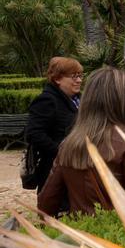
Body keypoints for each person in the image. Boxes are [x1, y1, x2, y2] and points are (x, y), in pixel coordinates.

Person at [38, 67, 125, 216]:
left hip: (83, 231)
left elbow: (46, 203)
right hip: (118, 233)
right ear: (124, 104)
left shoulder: (69, 144)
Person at [25, 57, 84, 192]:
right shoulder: (47, 101)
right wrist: (61, 151)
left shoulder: (79, 99)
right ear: (57, 79)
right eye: (74, 77)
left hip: (77, 167)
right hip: (54, 170)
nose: (79, 80)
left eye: (80, 76)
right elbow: (34, 134)